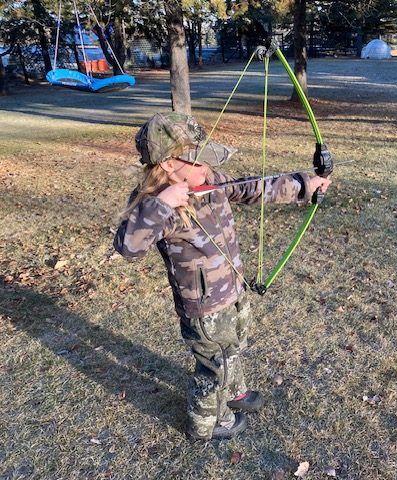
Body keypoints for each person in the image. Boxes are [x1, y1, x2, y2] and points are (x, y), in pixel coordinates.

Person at [114, 112, 332, 440]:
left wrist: (305, 184)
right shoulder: (155, 203)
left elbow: (254, 188)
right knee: (215, 364)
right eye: (196, 159)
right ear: (169, 164)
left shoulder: (209, 180)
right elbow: (129, 247)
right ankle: (209, 424)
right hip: (203, 306)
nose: (205, 165)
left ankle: (234, 393)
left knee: (234, 346)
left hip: (233, 289)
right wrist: (162, 204)